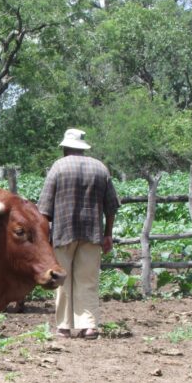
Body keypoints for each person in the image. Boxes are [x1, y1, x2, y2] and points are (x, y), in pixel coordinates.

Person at [37, 128, 120, 339]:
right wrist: (107, 234)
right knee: (88, 279)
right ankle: (89, 326)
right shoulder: (100, 168)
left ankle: (63, 327)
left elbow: (44, 208)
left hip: (63, 232)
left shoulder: (58, 167)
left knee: (61, 279)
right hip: (92, 233)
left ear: (65, 147)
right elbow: (111, 207)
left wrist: (43, 239)